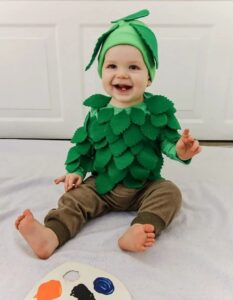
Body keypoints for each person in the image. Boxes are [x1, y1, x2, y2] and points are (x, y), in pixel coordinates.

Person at [15, 9, 202, 259]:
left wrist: (179, 149)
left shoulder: (157, 111)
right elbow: (85, 146)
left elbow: (168, 142)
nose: (122, 74)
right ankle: (51, 234)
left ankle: (138, 228)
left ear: (149, 78)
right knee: (75, 199)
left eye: (134, 67)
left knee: (170, 193)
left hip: (143, 186)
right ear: (102, 71)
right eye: (112, 65)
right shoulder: (97, 111)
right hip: (103, 184)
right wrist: (77, 171)